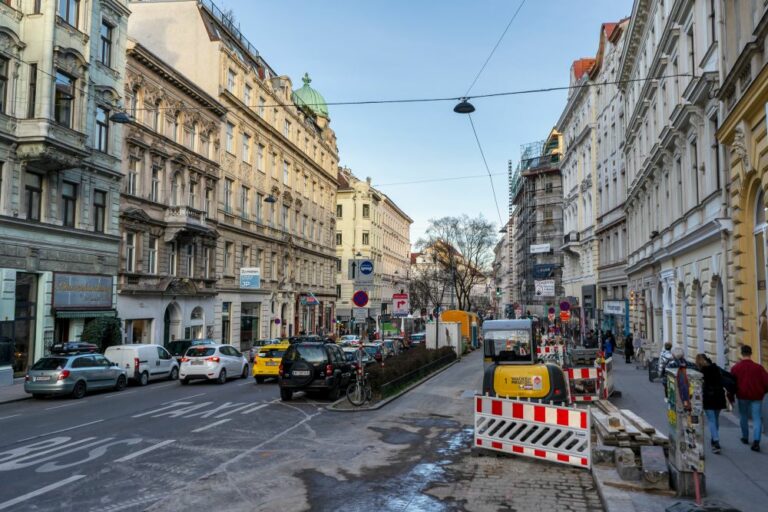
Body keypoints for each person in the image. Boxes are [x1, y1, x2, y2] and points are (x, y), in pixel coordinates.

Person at [730, 345, 768, 452]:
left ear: (741, 354)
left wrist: (731, 396)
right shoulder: (758, 368)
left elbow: (731, 384)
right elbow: (766, 382)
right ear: (751, 354)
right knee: (757, 418)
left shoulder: (736, 368)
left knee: (743, 416)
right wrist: (762, 392)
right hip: (756, 396)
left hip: (742, 396)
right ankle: (756, 441)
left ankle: (745, 437)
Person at [695, 354, 727, 454]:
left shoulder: (700, 372)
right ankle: (714, 439)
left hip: (708, 397)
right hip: (719, 396)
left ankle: (716, 441)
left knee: (711, 420)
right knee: (715, 419)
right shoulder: (716, 368)